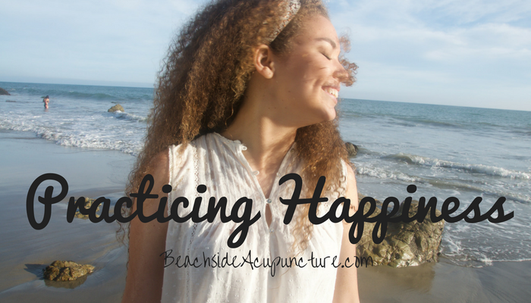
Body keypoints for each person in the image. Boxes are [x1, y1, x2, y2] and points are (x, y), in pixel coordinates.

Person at [122, 0, 360, 302]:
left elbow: (346, 297)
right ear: (265, 60)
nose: (344, 72)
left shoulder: (338, 180)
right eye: (326, 53)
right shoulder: (173, 173)